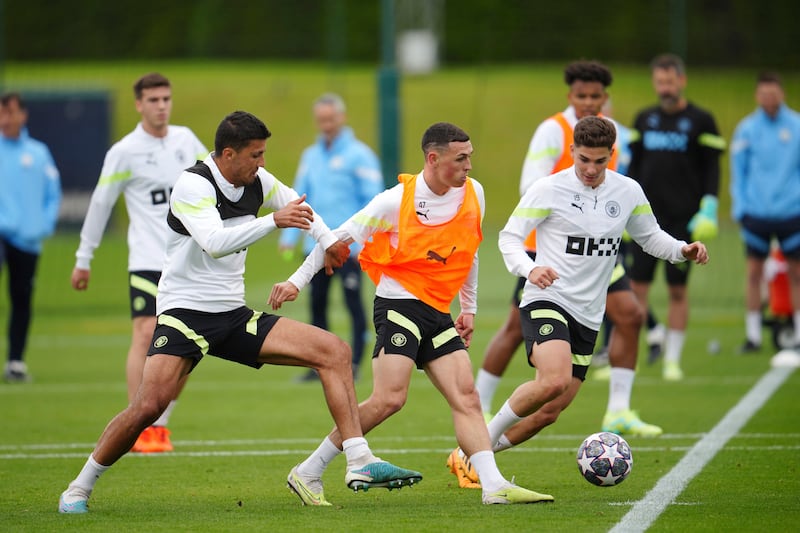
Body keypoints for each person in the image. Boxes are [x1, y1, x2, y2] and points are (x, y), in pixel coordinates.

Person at [58, 111, 420, 514]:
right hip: (185, 314)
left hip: (232, 316)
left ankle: (358, 461)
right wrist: (272, 223)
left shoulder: (257, 181)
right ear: (228, 154)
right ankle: (79, 486)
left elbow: (300, 208)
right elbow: (215, 242)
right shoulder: (193, 184)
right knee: (148, 406)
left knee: (333, 350)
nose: (262, 163)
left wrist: (329, 241)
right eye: (256, 155)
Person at [269, 122, 553, 505]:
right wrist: (295, 282)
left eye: (470, 156)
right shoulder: (394, 201)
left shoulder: (475, 193)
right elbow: (334, 241)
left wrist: (467, 308)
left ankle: (493, 486)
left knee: (467, 396)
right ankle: (309, 470)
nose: (469, 166)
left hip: (438, 311)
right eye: (461, 158)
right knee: (389, 399)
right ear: (433, 159)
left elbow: (467, 252)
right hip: (398, 306)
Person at [447, 116, 709, 490]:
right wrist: (530, 269)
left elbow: (650, 237)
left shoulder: (628, 191)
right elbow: (509, 238)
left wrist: (683, 250)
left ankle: (468, 455)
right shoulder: (548, 189)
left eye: (599, 161)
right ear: (572, 152)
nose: (590, 169)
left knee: (550, 411)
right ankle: (477, 452)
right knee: (553, 379)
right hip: (546, 299)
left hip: (589, 315)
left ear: (611, 156)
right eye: (583, 159)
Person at [472, 60, 661, 447]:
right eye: (582, 95)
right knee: (515, 331)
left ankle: (619, 409)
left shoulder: (614, 136)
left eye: (596, 96)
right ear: (570, 96)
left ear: (605, 98)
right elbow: (531, 186)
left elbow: (631, 207)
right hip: (548, 252)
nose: (589, 102)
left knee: (630, 314)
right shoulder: (552, 130)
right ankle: (480, 409)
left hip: (599, 253)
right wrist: (566, 206)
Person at [70, 73, 207, 452]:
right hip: (148, 259)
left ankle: (159, 425)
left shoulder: (186, 141)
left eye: (166, 98)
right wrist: (84, 258)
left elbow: (214, 184)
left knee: (190, 346)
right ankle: (138, 426)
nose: (161, 105)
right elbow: (101, 203)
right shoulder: (124, 151)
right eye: (153, 100)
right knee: (146, 333)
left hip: (187, 262)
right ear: (138, 104)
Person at [627, 53, 725, 380]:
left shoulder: (701, 120)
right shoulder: (643, 120)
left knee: (677, 291)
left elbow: (712, 168)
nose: (665, 87)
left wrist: (708, 205)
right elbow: (632, 169)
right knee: (637, 288)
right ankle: (633, 357)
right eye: (660, 81)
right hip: (645, 220)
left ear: (681, 81)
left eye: (670, 81)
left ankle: (673, 360)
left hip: (683, 220)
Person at [279, 93, 383, 382]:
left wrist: (365, 242)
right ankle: (319, 366)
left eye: (331, 118)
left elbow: (374, 201)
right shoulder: (310, 156)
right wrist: (290, 236)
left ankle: (358, 364)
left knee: (354, 305)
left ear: (342, 117)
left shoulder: (360, 155)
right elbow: (298, 194)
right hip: (315, 245)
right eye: (321, 119)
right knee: (317, 306)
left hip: (348, 247)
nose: (326, 124)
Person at [730, 71, 800, 352]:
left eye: (773, 93)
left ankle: (797, 334)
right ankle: (753, 336)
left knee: (796, 274)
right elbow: (739, 172)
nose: (769, 99)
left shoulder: (796, 125)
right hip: (756, 213)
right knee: (753, 273)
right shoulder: (746, 129)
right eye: (764, 94)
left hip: (792, 212)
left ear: (781, 94)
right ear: (758, 96)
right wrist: (741, 208)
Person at [0, 92, 61, 382]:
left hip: (27, 239)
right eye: (1, 113)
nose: (5, 119)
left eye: (10, 112)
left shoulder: (38, 153)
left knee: (21, 299)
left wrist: (44, 224)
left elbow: (52, 193)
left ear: (22, 115)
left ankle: (15, 361)